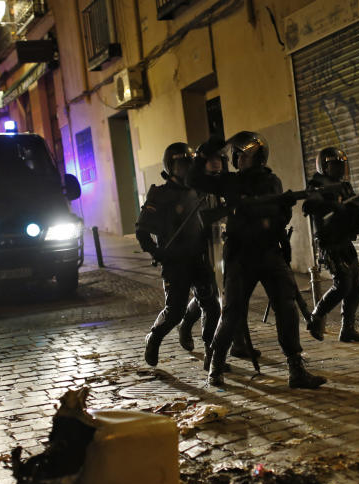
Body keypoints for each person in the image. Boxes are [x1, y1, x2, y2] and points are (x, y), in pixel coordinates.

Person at [189, 131, 326, 389]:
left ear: (258, 157)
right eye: (236, 155)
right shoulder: (230, 182)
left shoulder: (272, 181)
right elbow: (193, 178)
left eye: (243, 155)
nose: (238, 159)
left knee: (286, 308)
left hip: (268, 251)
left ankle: (296, 368)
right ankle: (216, 366)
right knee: (231, 313)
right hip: (241, 254)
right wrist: (207, 151)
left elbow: (278, 216)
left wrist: (278, 211)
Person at [136, 142, 221, 368]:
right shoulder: (160, 195)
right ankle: (154, 337)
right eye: (182, 163)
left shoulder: (198, 192)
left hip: (199, 258)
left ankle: (211, 354)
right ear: (171, 166)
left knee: (211, 305)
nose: (186, 168)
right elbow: (142, 230)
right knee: (175, 312)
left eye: (189, 163)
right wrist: (156, 252)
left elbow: (207, 219)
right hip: (175, 261)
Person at [177, 145, 259, 362]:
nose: (216, 164)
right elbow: (198, 218)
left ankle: (238, 342)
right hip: (202, 246)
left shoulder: (225, 183)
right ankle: (204, 343)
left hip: (224, 243)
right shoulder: (196, 186)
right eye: (211, 160)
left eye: (219, 160)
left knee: (232, 295)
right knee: (210, 297)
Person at [304, 147, 359, 343]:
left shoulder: (345, 186)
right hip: (329, 243)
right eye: (335, 165)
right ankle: (316, 316)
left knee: (356, 288)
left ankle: (347, 329)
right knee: (343, 285)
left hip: (345, 241)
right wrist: (330, 205)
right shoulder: (316, 185)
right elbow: (308, 206)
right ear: (325, 166)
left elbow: (353, 210)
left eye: (342, 165)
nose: (340, 169)